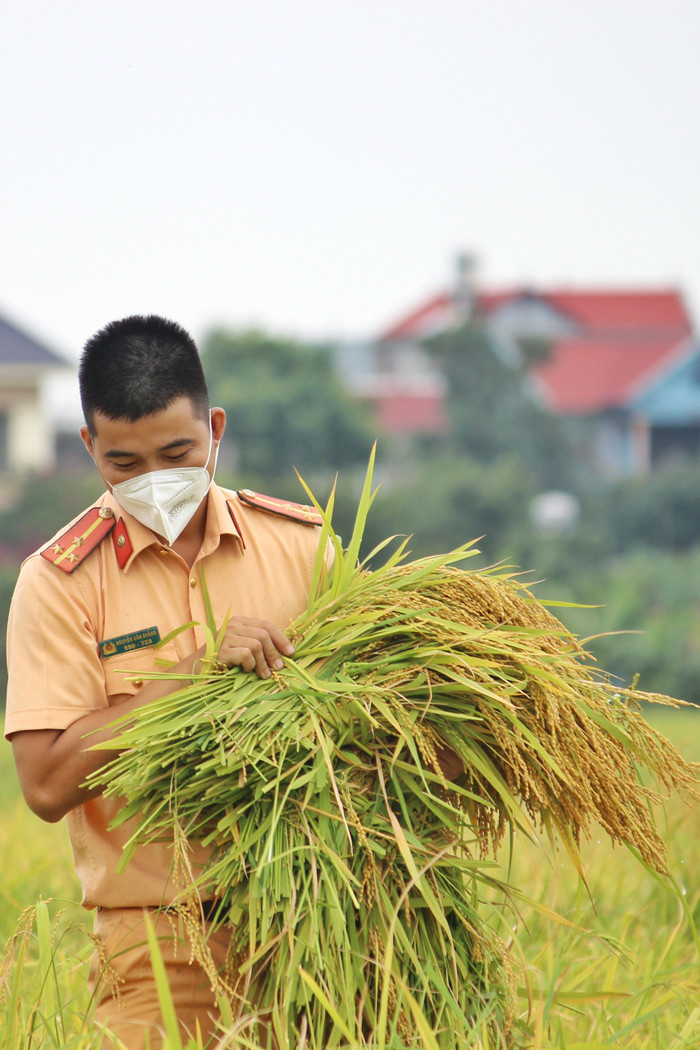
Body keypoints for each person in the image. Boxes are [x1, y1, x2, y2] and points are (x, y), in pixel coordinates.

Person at [4, 314, 330, 1049]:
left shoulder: (305, 549)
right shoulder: (58, 585)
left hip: (319, 919)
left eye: (177, 452)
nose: (154, 482)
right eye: (124, 464)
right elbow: (48, 785)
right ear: (90, 448)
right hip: (155, 946)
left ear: (214, 428)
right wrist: (189, 679)